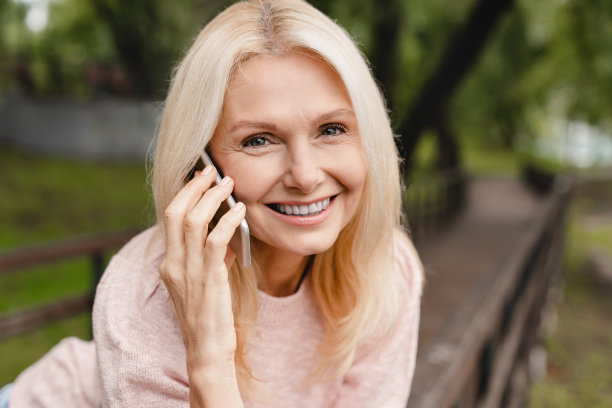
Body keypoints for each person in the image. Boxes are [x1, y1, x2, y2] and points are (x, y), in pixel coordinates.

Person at [6, 0, 423, 406]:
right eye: (259, 140)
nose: (306, 175)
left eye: (331, 129)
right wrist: (207, 360)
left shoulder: (386, 273)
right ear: (200, 163)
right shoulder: (145, 296)